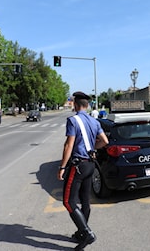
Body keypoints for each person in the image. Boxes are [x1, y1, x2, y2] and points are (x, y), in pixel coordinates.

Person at [57, 91, 109, 250]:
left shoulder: (73, 121)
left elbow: (69, 145)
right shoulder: (94, 121)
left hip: (78, 166)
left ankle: (87, 233)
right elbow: (105, 141)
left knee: (68, 201)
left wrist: (62, 167)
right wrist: (93, 148)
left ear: (76, 105)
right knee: (85, 200)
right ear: (87, 106)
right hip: (90, 164)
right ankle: (81, 232)